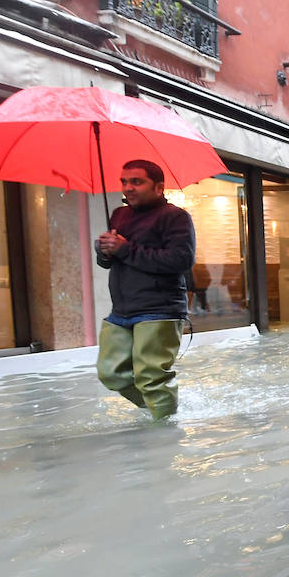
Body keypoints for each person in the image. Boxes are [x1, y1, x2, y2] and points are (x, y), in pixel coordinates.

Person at [94, 160, 196, 420]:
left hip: (160, 309)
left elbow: (181, 260)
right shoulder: (119, 214)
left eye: (136, 182)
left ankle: (164, 435)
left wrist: (124, 249)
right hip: (122, 309)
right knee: (111, 373)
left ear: (159, 187)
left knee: (151, 378)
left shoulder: (175, 216)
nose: (128, 188)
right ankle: (163, 410)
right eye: (124, 182)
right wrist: (104, 250)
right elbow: (110, 261)